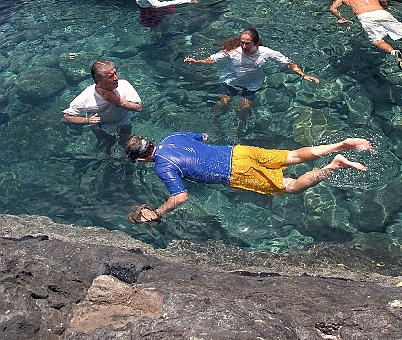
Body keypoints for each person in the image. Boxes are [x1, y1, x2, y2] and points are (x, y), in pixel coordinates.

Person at [124, 132, 373, 223]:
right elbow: (204, 137)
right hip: (238, 151)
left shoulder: (162, 167)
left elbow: (181, 197)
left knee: (293, 187)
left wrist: (158, 212)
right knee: (293, 156)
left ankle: (334, 165)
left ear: (143, 158)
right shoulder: (171, 137)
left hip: (236, 173)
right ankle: (340, 145)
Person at [184, 27, 319, 120]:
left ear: (257, 43)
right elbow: (213, 59)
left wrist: (303, 74)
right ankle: (214, 125)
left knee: (243, 109)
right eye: (242, 42)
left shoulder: (266, 53)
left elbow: (288, 63)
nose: (243, 46)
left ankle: (237, 131)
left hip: (251, 84)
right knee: (224, 104)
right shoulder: (233, 49)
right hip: (230, 81)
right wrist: (198, 61)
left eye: (247, 43)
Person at [62, 60, 142, 145]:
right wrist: (87, 120)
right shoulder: (87, 96)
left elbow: (138, 107)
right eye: (110, 76)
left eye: (115, 73)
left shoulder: (124, 85)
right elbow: (66, 118)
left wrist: (118, 101)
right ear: (99, 81)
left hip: (123, 118)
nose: (116, 78)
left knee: (125, 141)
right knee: (107, 143)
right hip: (101, 125)